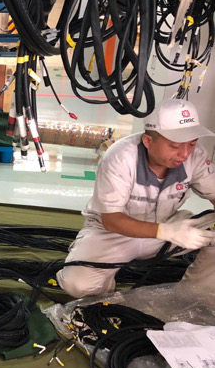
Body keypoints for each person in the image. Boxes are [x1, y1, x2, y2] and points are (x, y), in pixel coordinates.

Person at [57, 99, 215, 298]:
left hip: (169, 224)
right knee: (78, 285)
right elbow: (112, 220)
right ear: (148, 141)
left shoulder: (195, 156)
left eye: (191, 143)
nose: (184, 153)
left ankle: (195, 295)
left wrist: (172, 230)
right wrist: (167, 232)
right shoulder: (120, 157)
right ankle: (104, 302)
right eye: (175, 145)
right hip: (114, 233)